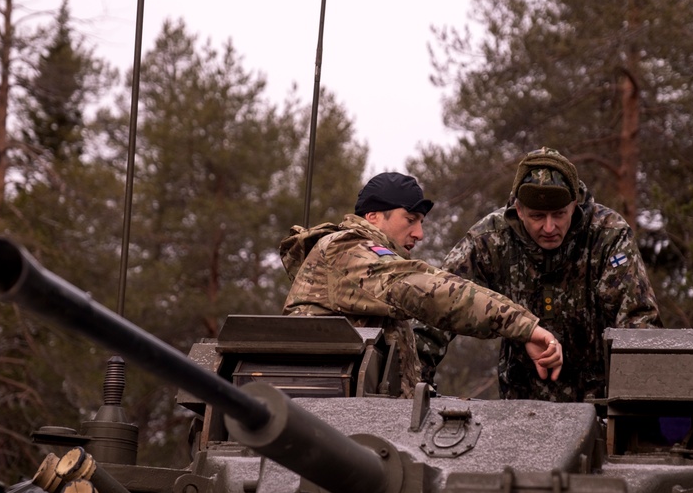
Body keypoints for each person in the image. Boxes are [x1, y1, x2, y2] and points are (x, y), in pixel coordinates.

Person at [279, 171, 563, 398]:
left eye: (421, 222)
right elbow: (430, 292)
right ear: (373, 216)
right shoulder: (347, 252)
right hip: (333, 425)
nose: (420, 233)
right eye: (410, 219)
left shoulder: (368, 262)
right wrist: (524, 326)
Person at [416, 147, 661, 403]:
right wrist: (415, 386)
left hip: (600, 405)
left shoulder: (608, 235)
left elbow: (637, 321)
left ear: (574, 205)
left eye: (559, 214)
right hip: (521, 406)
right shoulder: (490, 240)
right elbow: (438, 304)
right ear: (518, 210)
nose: (549, 227)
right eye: (537, 216)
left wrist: (635, 404)